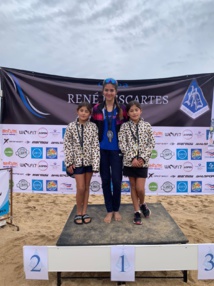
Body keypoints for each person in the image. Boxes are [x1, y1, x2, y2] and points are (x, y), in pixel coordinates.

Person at [91, 78, 128, 223]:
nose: (109, 92)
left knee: (117, 181)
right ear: (103, 91)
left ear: (116, 92)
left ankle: (116, 209)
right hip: (102, 150)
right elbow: (93, 130)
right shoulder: (96, 109)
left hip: (117, 151)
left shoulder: (122, 109)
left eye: (111, 90)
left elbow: (126, 129)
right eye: (106, 90)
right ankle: (109, 210)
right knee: (105, 180)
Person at [118, 100, 155, 225]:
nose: (134, 113)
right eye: (131, 110)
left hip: (142, 163)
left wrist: (142, 158)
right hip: (129, 162)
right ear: (127, 113)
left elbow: (151, 143)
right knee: (133, 187)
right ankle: (136, 211)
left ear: (141, 111)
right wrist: (132, 158)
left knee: (140, 188)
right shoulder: (124, 127)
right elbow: (122, 144)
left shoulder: (147, 126)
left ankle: (143, 203)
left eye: (136, 110)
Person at [64, 102, 100, 225]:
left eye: (86, 111)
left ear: (90, 114)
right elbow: (67, 145)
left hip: (89, 162)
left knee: (86, 187)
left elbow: (95, 146)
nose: (84, 113)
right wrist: (69, 163)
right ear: (77, 111)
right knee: (80, 188)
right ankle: (78, 212)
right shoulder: (71, 127)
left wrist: (96, 164)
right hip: (77, 162)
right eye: (82, 110)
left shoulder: (93, 127)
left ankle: (85, 211)